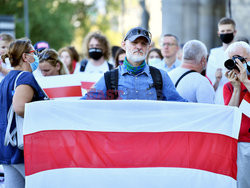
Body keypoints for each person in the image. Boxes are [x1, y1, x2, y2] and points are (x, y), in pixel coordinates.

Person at [81, 27, 186, 102]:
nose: (139, 47)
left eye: (143, 43)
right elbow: (84, 103)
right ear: (124, 45)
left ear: (148, 47)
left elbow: (180, 105)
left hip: (151, 132)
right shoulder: (109, 78)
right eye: (134, 43)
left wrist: (201, 110)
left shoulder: (161, 76)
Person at [0, 39, 47, 188]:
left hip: (7, 148)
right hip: (23, 149)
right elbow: (20, 108)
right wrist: (47, 108)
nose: (37, 57)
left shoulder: (6, 79)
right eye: (35, 53)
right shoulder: (26, 77)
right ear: (25, 57)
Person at [223, 41, 250, 188]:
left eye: (239, 59)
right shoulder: (229, 86)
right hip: (242, 143)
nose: (236, 63)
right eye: (232, 59)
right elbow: (230, 115)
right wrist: (237, 88)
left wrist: (246, 79)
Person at [206, 17, 237, 104]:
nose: (225, 33)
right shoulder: (214, 54)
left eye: (228, 31)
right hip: (220, 98)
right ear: (218, 33)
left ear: (234, 32)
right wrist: (217, 79)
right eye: (222, 31)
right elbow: (211, 87)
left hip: (238, 96)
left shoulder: (241, 51)